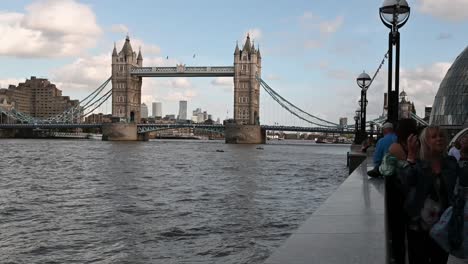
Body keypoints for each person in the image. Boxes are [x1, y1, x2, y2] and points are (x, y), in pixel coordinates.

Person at [399, 126, 467, 264]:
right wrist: (411, 156)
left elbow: (464, 181)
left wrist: (465, 154)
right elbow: (405, 181)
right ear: (425, 141)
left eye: (441, 136)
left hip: (443, 225)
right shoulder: (417, 163)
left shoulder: (450, 162)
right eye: (434, 136)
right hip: (418, 225)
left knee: (440, 260)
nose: (439, 139)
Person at [379, 119, 418, 264]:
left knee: (397, 235)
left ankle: (399, 259)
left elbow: (386, 169)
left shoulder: (395, 147)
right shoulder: (420, 147)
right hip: (415, 198)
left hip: (397, 196)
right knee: (415, 237)